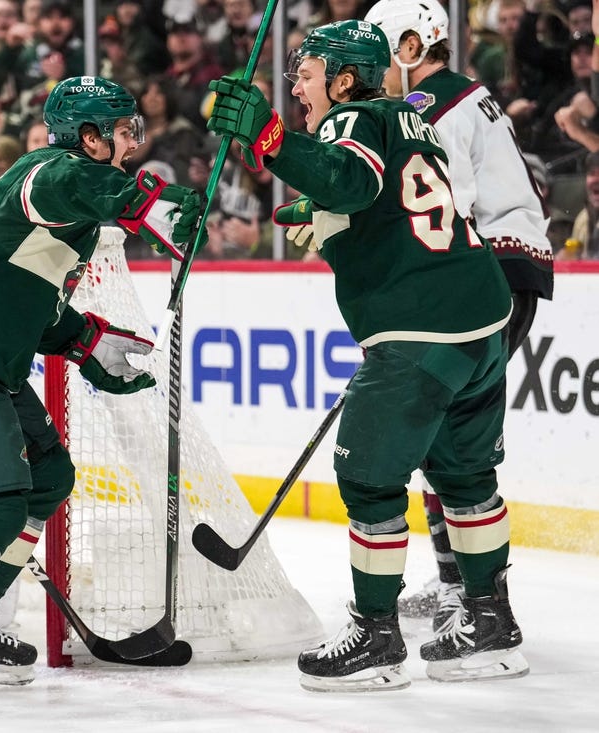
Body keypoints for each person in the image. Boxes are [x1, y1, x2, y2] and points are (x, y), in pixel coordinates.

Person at [0, 76, 205, 716]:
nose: (134, 142)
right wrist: (148, 204)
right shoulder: (51, 172)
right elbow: (68, 183)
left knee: (48, 476)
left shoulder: (62, 211)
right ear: (88, 137)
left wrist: (89, 344)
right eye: (123, 131)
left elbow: (34, 302)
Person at [207, 20, 526, 691]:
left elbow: (350, 179)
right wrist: (321, 206)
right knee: (465, 477)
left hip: (418, 327)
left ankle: (376, 638)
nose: (296, 82)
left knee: (368, 478)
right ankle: (490, 624)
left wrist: (270, 142)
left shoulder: (347, 121)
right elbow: (394, 202)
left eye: (308, 71)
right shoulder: (412, 121)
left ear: (344, 79)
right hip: (482, 317)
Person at [364, 0, 554, 631]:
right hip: (506, 270)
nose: (370, 71)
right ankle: (459, 585)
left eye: (379, 54)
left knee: (450, 442)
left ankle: (468, 596)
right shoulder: (459, 96)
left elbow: (448, 212)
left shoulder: (429, 111)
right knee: (440, 438)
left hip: (486, 274)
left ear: (412, 47)